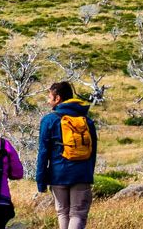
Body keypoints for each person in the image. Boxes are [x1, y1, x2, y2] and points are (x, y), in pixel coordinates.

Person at [35, 81, 98, 229]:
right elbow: (92, 152)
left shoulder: (49, 120)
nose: (48, 100)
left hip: (58, 175)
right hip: (82, 174)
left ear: (58, 99)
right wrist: (88, 174)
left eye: (50, 96)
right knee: (78, 213)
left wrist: (41, 181)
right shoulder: (87, 121)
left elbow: (43, 153)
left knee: (62, 212)